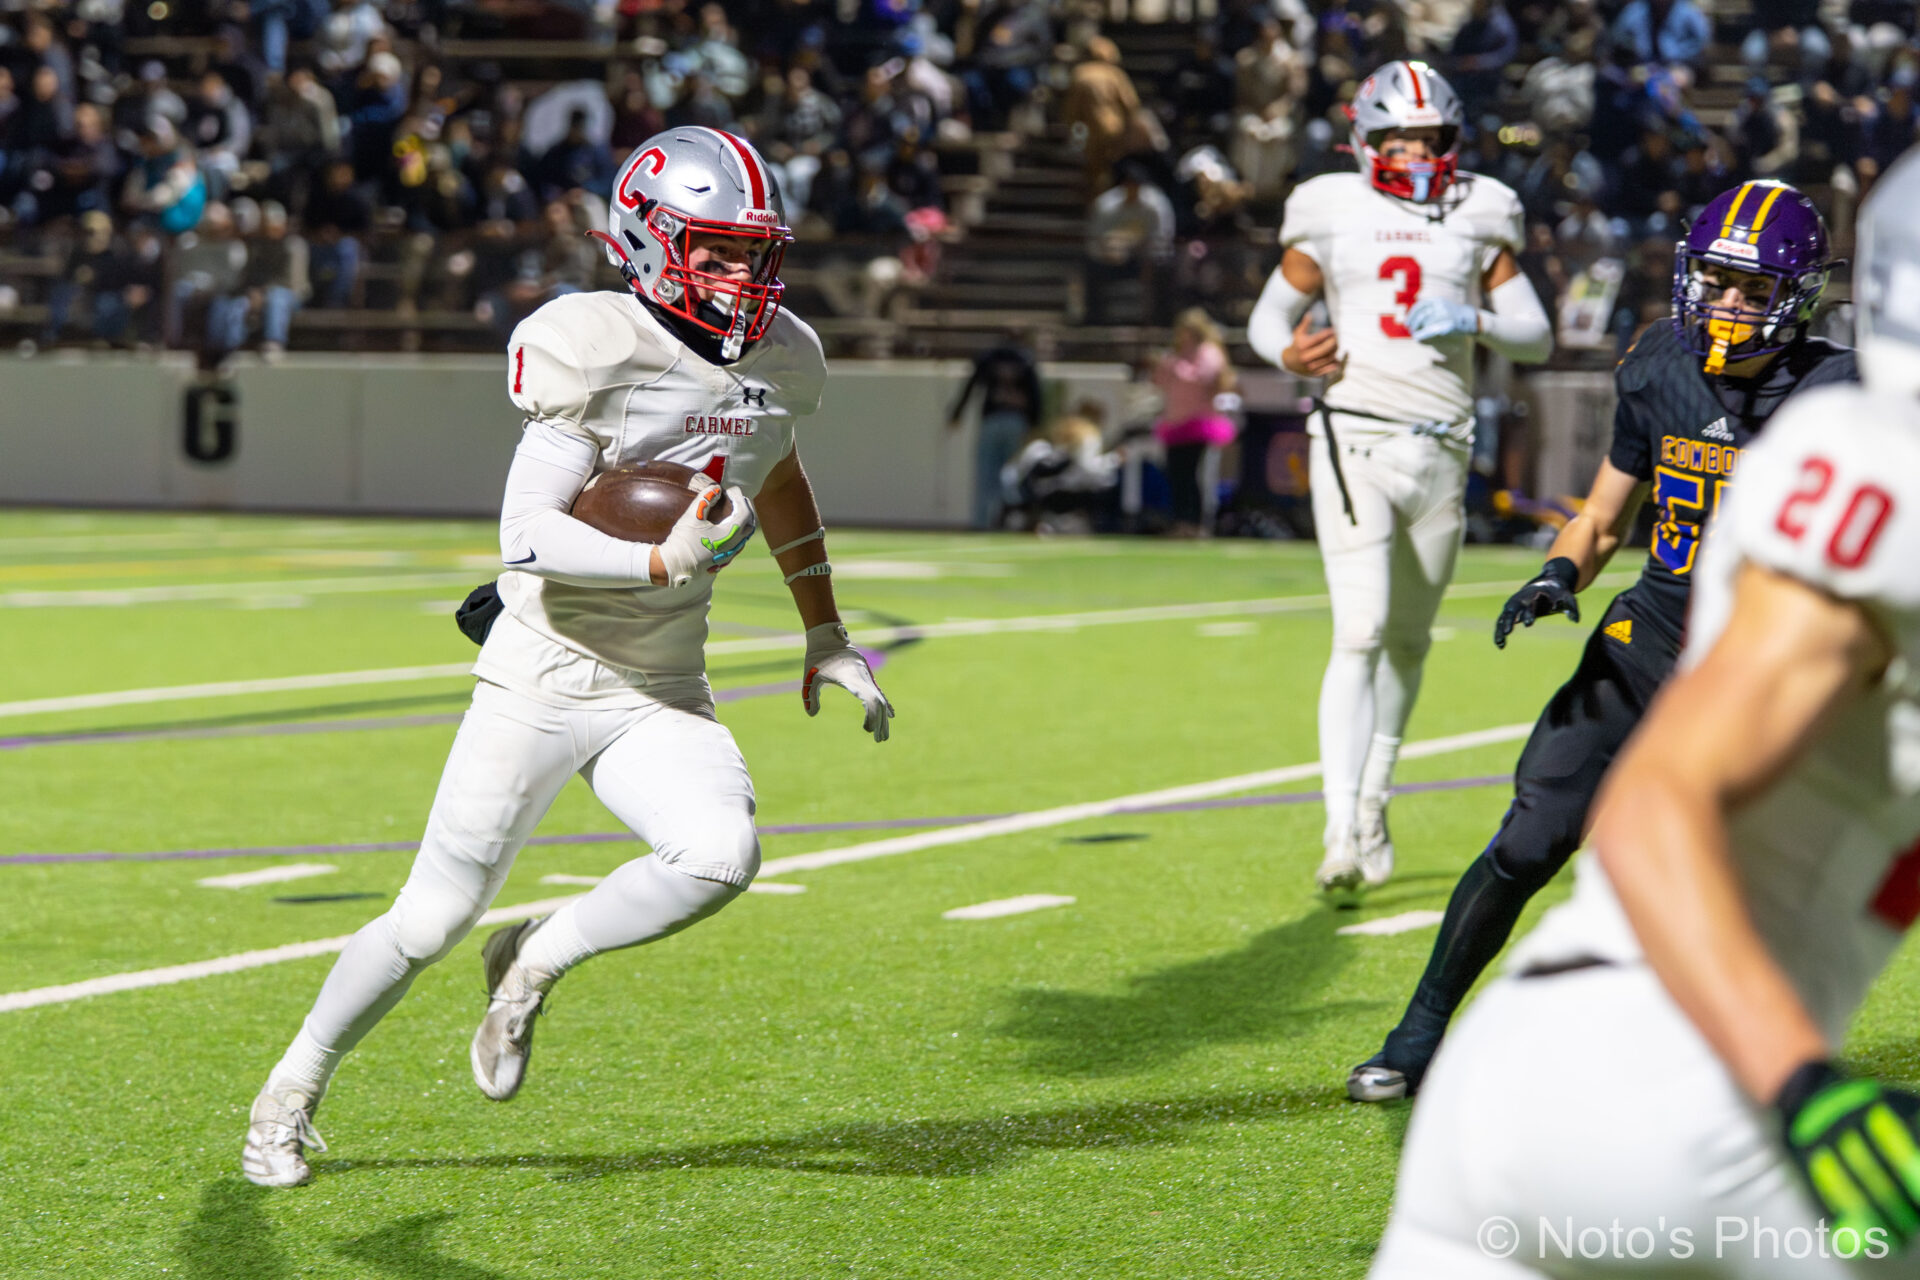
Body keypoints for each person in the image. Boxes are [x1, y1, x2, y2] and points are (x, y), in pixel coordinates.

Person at [241, 127, 895, 1188]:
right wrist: (657, 557)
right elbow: (526, 533)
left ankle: (535, 956)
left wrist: (825, 633)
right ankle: (289, 1091)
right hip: (540, 672)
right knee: (430, 918)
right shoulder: (594, 343)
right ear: (647, 241)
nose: (741, 276)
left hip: (659, 685)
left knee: (719, 855)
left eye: (753, 252)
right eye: (716, 251)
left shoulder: (784, 357)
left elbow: (775, 474)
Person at [1367, 150, 1920, 1280]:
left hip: (1530, 1095)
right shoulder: (1816, 437)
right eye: (1716, 281)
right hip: (1656, 647)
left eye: (1753, 287)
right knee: (1529, 839)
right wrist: (1560, 571)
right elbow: (1609, 512)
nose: (1729, 304)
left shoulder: (1836, 402)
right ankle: (1416, 1026)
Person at [1245, 61, 1552, 896]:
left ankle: (1374, 799)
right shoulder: (1331, 206)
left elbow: (1535, 335)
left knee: (1410, 642)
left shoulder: (1480, 209)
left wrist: (1473, 317)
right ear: (1366, 141)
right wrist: (1287, 352)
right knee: (1361, 630)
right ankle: (1340, 829)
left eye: (1428, 137)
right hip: (1356, 434)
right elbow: (1269, 316)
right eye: (1399, 138)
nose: (1415, 152)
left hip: (1443, 446)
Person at [1152, 308, 1237, 536]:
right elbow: (1160, 381)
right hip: (1175, 423)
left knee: (1192, 475)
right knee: (1175, 475)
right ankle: (1179, 521)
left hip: (1198, 424)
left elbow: (1204, 377)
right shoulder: (1175, 354)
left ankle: (1195, 523)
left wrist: (1177, 369)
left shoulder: (1208, 352)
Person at [947, 333, 1043, 529]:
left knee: (985, 475)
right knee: (1013, 475)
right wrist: (1035, 423)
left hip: (992, 419)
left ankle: (981, 522)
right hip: (1016, 421)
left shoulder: (989, 358)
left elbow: (971, 385)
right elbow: (1036, 394)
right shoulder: (1025, 360)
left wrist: (957, 413)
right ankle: (1012, 520)